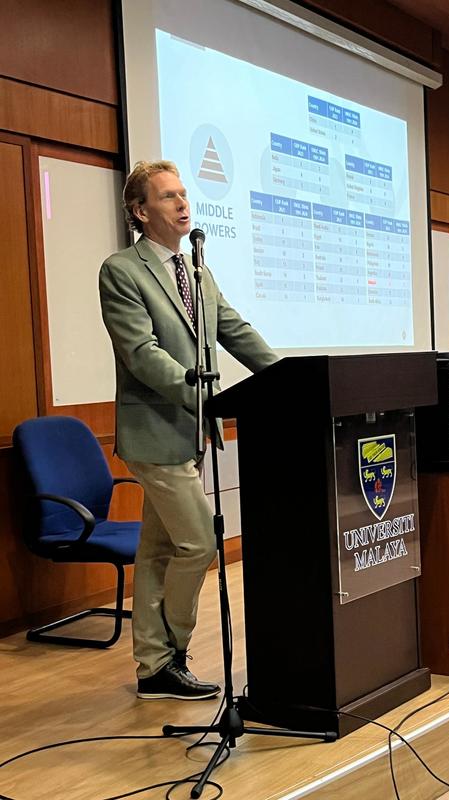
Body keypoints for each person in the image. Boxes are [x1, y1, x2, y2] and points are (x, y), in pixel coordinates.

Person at [99, 160, 277, 700]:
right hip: (154, 432)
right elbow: (141, 353)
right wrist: (203, 394)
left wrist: (289, 376)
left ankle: (153, 669)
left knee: (157, 550)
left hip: (190, 432)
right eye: (168, 196)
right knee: (200, 543)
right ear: (140, 211)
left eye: (183, 193)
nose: (182, 203)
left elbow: (232, 329)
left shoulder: (196, 271)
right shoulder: (122, 270)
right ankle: (173, 650)